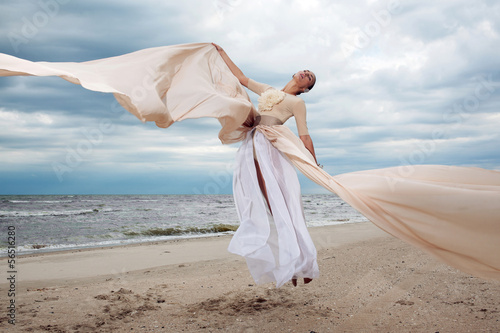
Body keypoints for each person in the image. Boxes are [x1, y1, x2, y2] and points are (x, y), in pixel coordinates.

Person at [212, 43, 320, 287]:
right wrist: (221, 53)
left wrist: (313, 162)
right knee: (265, 204)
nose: (305, 73)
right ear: (295, 75)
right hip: (252, 143)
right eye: (304, 70)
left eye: (309, 77)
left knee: (279, 202)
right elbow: (240, 78)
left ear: (307, 88)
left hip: (270, 145)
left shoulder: (297, 103)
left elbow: (304, 136)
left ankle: (301, 263)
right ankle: (289, 264)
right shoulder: (268, 90)